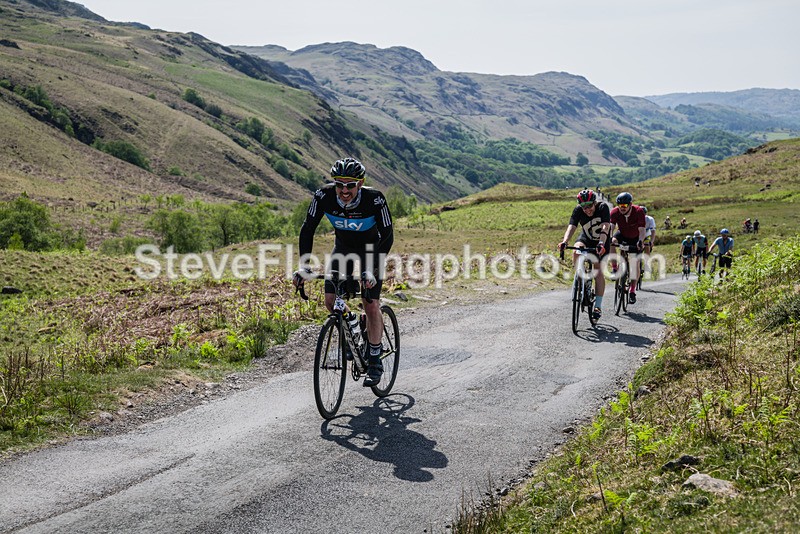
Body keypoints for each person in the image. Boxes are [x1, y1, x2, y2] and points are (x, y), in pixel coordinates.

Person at [293, 157, 394, 387]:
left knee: (370, 303)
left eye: (350, 185)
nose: (344, 190)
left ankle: (375, 359)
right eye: (339, 184)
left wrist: (372, 270)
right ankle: (354, 325)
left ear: (361, 183)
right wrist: (304, 266)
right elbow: (307, 229)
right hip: (343, 249)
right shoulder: (323, 196)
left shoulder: (374, 199)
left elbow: (388, 235)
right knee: (331, 301)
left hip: (371, 251)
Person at [558, 189, 611, 319]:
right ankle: (580, 279)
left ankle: (597, 306)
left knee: (598, 271)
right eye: (583, 207)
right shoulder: (578, 210)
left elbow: (605, 226)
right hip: (586, 237)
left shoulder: (603, 207)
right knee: (576, 250)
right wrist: (565, 241)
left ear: (594, 202)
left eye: (589, 206)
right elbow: (572, 226)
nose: (587, 210)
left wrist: (601, 243)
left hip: (602, 240)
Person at [609, 192, 646, 303]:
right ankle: (615, 268)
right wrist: (608, 238)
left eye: (624, 205)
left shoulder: (638, 211)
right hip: (622, 234)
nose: (622, 208)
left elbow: (642, 230)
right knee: (612, 242)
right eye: (620, 205)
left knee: (636, 263)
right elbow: (611, 227)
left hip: (635, 238)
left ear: (630, 204)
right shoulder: (615, 212)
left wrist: (640, 241)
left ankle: (632, 290)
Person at [641, 206, 656, 277]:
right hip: (638, 235)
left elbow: (653, 231)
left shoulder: (650, 219)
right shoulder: (635, 218)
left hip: (647, 235)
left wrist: (652, 241)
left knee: (647, 245)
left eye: (643, 214)